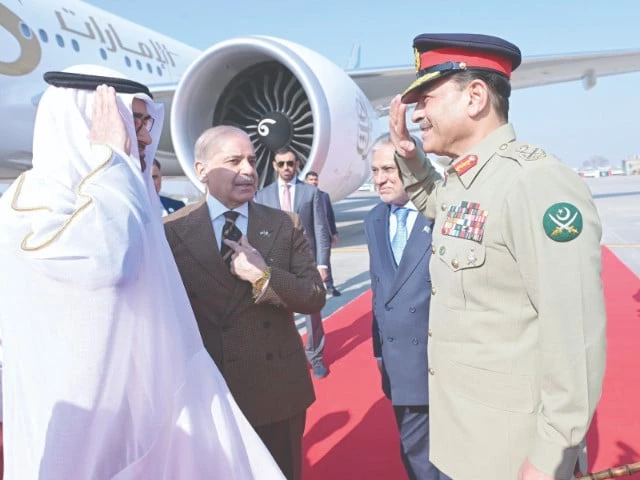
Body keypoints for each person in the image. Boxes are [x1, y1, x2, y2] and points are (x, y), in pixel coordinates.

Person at [0, 65, 284, 479]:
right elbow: (107, 262)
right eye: (133, 122)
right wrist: (111, 157)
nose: (147, 138)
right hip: (82, 436)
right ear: (87, 122)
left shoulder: (118, 196)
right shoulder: (31, 206)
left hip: (147, 418)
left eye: (146, 123)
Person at [389, 33, 607, 480]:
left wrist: (551, 457)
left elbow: (575, 336)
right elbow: (436, 206)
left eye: (427, 100)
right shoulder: (466, 181)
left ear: (475, 97)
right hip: (462, 441)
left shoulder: (535, 183)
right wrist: (409, 156)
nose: (417, 114)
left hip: (509, 455)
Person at [164, 126, 324, 480]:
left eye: (251, 160)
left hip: (277, 393)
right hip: (210, 394)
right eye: (234, 161)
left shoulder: (285, 224)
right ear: (202, 170)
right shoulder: (172, 231)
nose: (249, 170)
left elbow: (314, 296)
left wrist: (264, 277)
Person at [364, 136, 447, 480]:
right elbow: (380, 291)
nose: (379, 179)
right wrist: (379, 350)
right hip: (400, 363)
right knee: (416, 455)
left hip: (443, 360)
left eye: (388, 170)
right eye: (375, 171)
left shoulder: (442, 214)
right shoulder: (374, 219)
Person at [255, 149, 332, 378]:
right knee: (277, 311)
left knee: (312, 311)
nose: (286, 168)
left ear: (297, 164)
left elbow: (320, 229)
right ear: (274, 165)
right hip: (275, 261)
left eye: (290, 163)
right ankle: (286, 354)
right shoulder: (263, 196)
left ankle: (315, 357)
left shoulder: (311, 193)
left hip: (305, 260)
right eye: (281, 164)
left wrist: (323, 264)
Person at [304, 170, 341, 296]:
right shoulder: (301, 197)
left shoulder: (324, 196)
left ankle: (329, 285)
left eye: (315, 180)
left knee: (325, 261)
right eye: (311, 180)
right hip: (307, 235)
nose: (313, 182)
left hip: (323, 235)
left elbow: (330, 215)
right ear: (306, 181)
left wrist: (334, 233)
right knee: (309, 263)